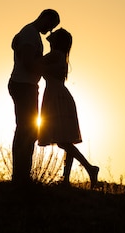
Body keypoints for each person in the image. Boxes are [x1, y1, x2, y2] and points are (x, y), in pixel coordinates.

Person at [38, 28, 99, 188]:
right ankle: (66, 178)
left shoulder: (55, 55)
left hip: (56, 96)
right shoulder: (62, 56)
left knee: (63, 141)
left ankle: (89, 168)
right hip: (60, 96)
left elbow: (36, 63)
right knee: (65, 139)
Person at [8, 9, 60, 185]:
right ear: (45, 18)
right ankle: (20, 176)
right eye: (51, 25)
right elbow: (28, 62)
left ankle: (21, 175)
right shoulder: (30, 33)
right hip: (23, 85)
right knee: (26, 130)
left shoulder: (30, 33)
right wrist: (48, 67)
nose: (50, 30)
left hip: (25, 85)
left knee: (26, 129)